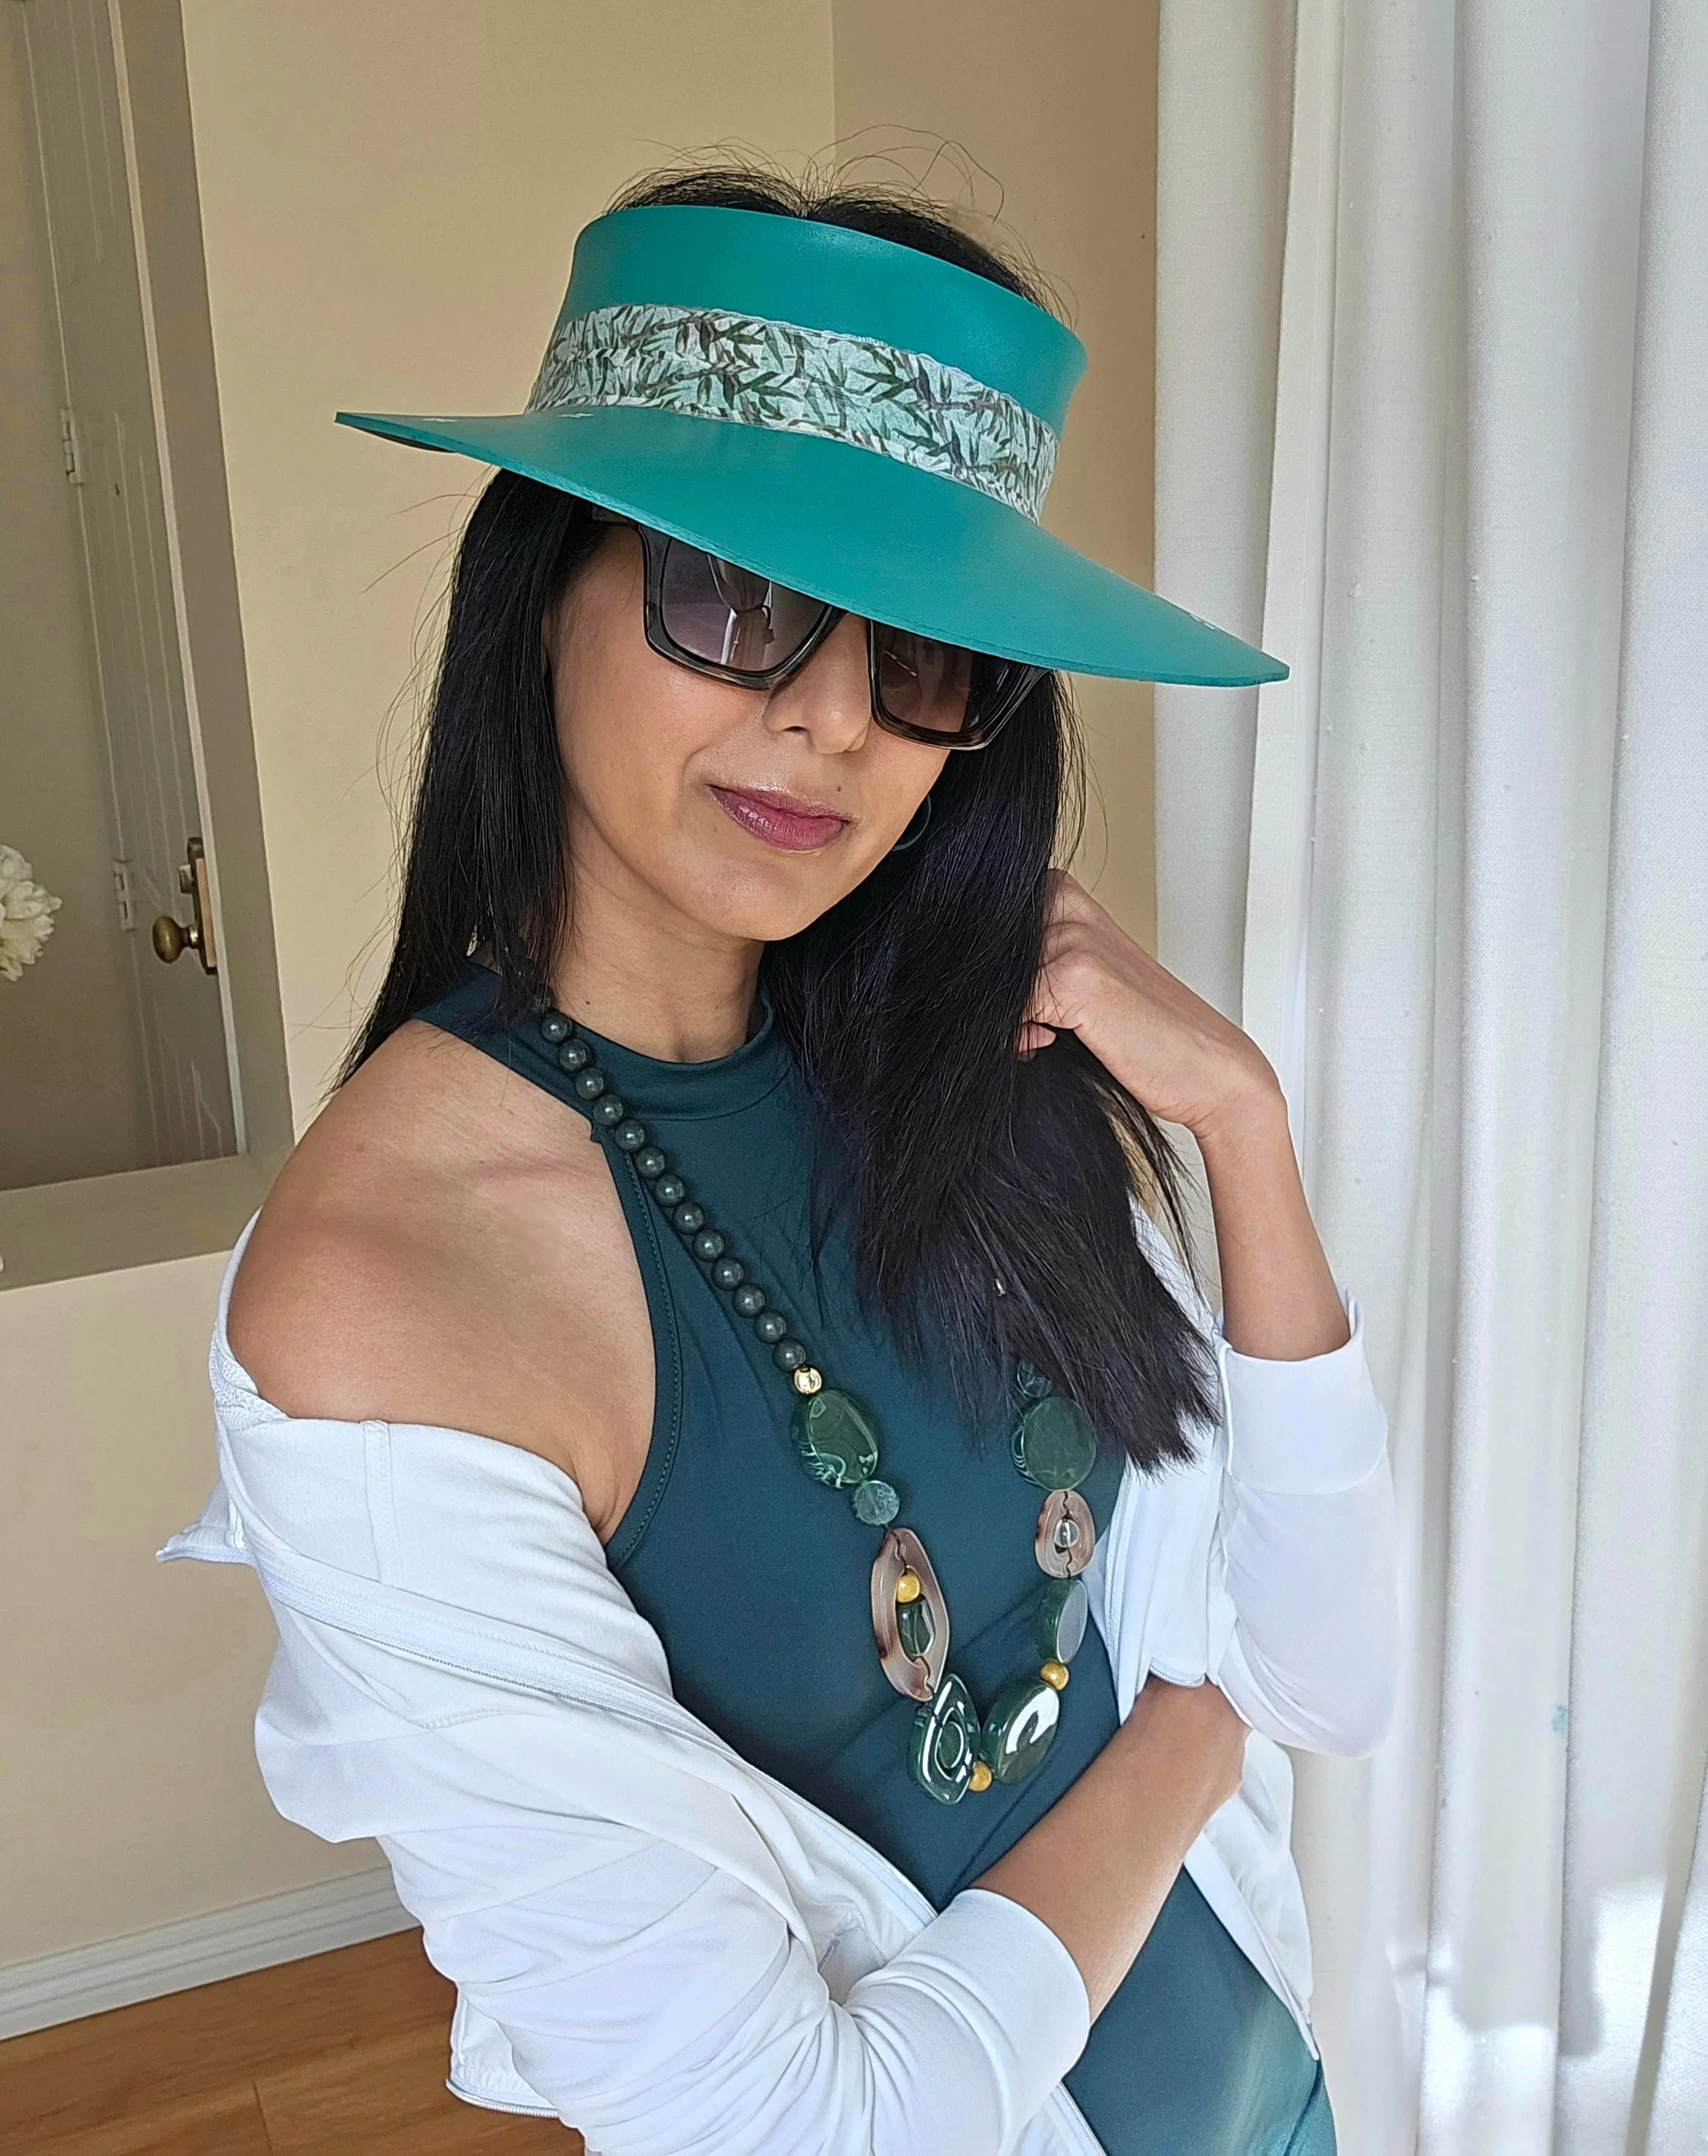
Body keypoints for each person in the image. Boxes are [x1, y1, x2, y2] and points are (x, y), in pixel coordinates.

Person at [161, 165, 1397, 2155]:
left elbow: (1336, 1662)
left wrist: (1241, 1124)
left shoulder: (958, 1075)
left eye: (925, 655)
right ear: (543, 590)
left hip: (1287, 2088)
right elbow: (804, 2126)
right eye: (731, 598)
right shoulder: (393, 1293)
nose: (829, 718)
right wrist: (1190, 1725)